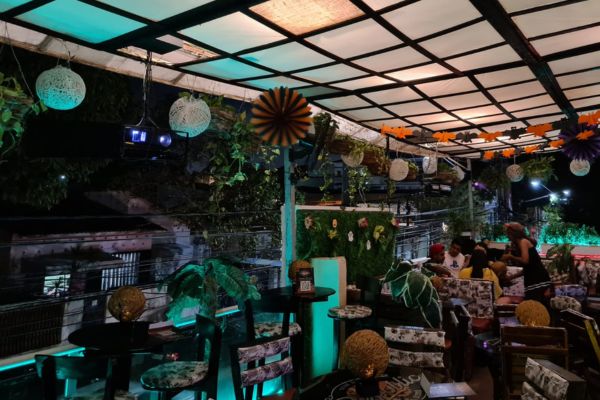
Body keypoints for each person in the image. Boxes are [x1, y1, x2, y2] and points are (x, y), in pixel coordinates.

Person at [502, 222, 551, 306]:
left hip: (537, 280)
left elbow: (525, 261)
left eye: (508, 234)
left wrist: (510, 257)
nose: (507, 236)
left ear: (513, 234)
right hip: (534, 280)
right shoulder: (520, 243)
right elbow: (528, 268)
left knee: (533, 307)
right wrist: (511, 277)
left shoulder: (523, 242)